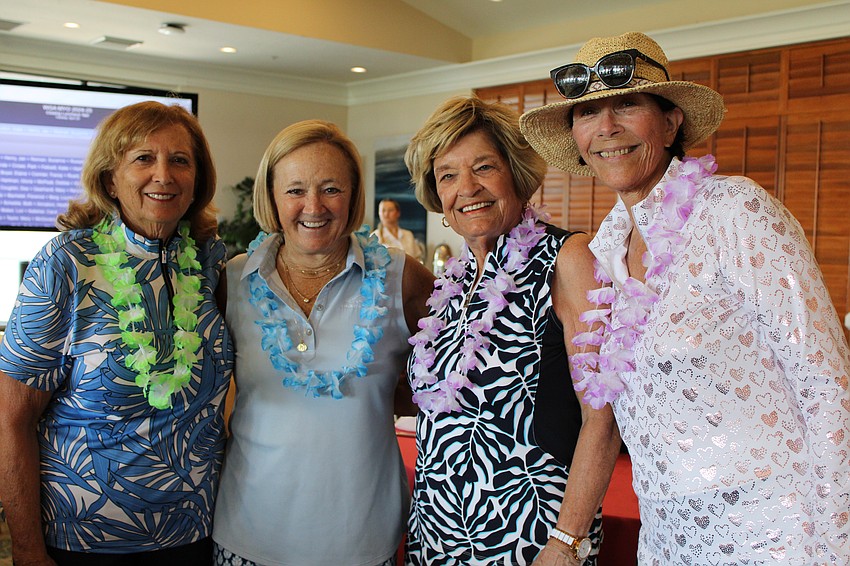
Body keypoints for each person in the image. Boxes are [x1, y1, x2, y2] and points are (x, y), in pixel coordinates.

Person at [520, 31, 850, 565]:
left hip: (778, 533)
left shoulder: (734, 212)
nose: (606, 127)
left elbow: (828, 387)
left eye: (626, 104)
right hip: (667, 537)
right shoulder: (603, 249)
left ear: (671, 121)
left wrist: (837, 547)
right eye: (587, 113)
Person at [0, 101, 234, 566]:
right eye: (143, 158)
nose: (163, 175)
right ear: (110, 178)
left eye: (180, 160)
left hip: (199, 531)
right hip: (84, 539)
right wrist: (27, 550)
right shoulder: (65, 263)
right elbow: (10, 419)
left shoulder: (213, 262)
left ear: (197, 180)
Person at [403, 96, 622, 566]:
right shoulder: (453, 281)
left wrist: (566, 545)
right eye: (447, 175)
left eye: (484, 167)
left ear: (516, 173)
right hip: (439, 538)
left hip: (532, 539)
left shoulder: (567, 259)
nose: (467, 188)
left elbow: (602, 418)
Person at [211, 120, 435, 566]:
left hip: (363, 536)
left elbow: (444, 382)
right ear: (272, 198)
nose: (313, 206)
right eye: (295, 190)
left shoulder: (401, 276)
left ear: (353, 195)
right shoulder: (232, 279)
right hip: (249, 530)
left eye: (331, 188)